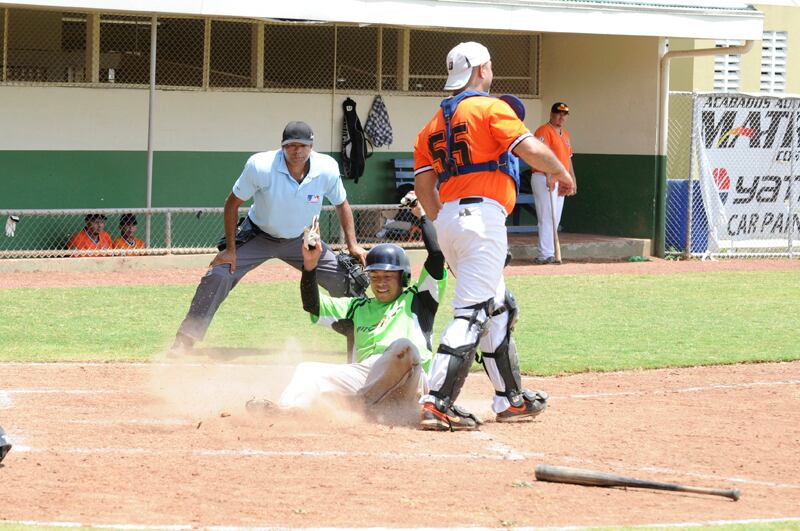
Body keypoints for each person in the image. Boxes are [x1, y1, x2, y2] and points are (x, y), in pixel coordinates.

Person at [413, 41, 575, 431]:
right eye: (489, 65)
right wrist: (561, 171)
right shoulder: (490, 107)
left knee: (499, 306)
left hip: (451, 219)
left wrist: (446, 220)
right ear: (480, 70)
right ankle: (437, 400)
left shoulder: (432, 123)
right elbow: (530, 149)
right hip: (482, 220)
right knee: (472, 313)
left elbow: (423, 187)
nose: (491, 70)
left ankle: (510, 399)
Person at [171, 121, 368, 354]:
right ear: (282, 146)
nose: (297, 150)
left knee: (348, 280)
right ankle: (185, 341)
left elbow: (341, 204)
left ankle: (364, 336)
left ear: (311, 146)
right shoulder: (261, 166)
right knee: (219, 274)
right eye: (291, 145)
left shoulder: (327, 168)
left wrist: (353, 245)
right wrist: (230, 250)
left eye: (302, 145)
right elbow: (232, 203)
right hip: (260, 235)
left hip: (304, 240)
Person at [247, 192, 446, 415]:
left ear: (404, 278)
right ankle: (287, 412)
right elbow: (312, 305)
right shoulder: (357, 307)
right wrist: (310, 266)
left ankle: (359, 405)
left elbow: (436, 255)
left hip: (410, 379)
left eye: (388, 277)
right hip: (367, 377)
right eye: (375, 276)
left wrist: (421, 215)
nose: (380, 283)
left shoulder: (419, 299)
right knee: (307, 371)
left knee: (404, 347)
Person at [532, 102, 577, 264]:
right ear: (551, 114)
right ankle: (545, 254)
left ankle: (550, 252)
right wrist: (549, 174)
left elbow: (568, 160)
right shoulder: (543, 130)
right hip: (543, 177)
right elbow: (540, 155)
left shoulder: (565, 134)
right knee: (547, 216)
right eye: (559, 113)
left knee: (555, 218)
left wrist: (572, 179)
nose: (561, 117)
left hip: (560, 179)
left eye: (564, 114)